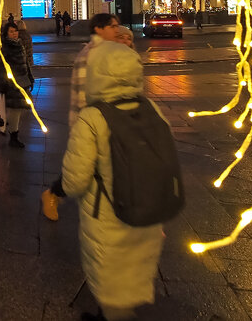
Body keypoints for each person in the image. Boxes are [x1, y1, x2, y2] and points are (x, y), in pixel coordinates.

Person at [60, 41, 166, 320]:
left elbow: (74, 182)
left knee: (112, 288)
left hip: (107, 218)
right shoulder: (152, 108)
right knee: (131, 278)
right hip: (149, 216)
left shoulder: (93, 117)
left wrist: (58, 190)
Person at [42, 13, 120, 221]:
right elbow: (86, 97)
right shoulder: (90, 56)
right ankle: (54, 193)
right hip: (90, 125)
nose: (117, 30)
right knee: (81, 172)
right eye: (112, 26)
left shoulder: (109, 53)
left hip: (107, 123)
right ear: (99, 29)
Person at [0, 23, 34, 148]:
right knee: (15, 110)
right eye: (11, 31)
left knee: (18, 109)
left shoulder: (19, 44)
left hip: (23, 81)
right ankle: (13, 136)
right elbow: (0, 66)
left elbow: (26, 63)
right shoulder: (4, 47)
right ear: (6, 33)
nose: (14, 33)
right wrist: (4, 83)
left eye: (15, 31)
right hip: (12, 83)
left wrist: (30, 77)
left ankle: (7, 127)